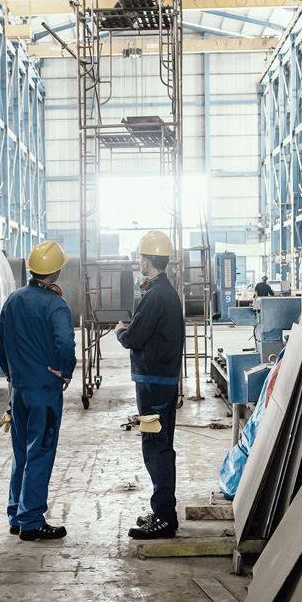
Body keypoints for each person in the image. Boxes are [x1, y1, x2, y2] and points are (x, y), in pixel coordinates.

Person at [0, 239, 76, 542]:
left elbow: (1, 342)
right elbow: (65, 343)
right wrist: (65, 370)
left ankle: (17, 513)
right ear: (55, 273)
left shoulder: (14, 299)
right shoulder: (56, 305)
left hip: (20, 392)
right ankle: (31, 522)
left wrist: (11, 373)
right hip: (44, 393)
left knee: (21, 453)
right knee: (40, 453)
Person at [115, 230, 185, 540]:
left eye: (139, 259)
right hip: (163, 380)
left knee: (155, 447)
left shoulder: (156, 295)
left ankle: (164, 518)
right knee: (161, 446)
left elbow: (134, 338)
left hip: (154, 384)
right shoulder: (166, 292)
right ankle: (162, 511)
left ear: (145, 261)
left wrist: (120, 331)